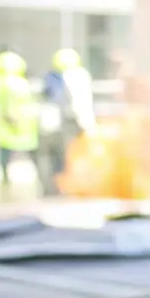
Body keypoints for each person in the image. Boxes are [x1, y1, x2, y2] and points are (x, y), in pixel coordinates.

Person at [37, 48, 95, 195]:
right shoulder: (77, 76)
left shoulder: (58, 77)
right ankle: (68, 186)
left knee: (63, 157)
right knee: (68, 156)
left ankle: (62, 187)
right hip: (71, 123)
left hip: (63, 124)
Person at [0, 49, 39, 196]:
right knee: (32, 157)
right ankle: (43, 183)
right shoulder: (17, 84)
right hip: (22, 126)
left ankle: (5, 184)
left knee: (6, 160)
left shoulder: (2, 83)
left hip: (11, 128)